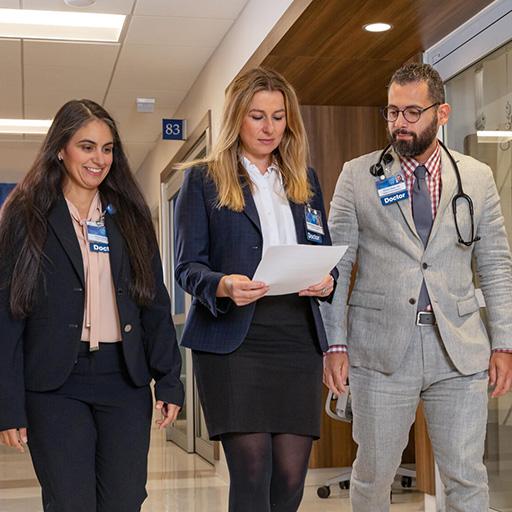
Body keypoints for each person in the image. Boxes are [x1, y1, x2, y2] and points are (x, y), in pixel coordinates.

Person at [321, 62, 512, 512]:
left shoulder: (477, 178)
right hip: (381, 349)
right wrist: (335, 344)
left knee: (467, 477)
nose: (398, 124)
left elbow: (496, 264)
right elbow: (337, 264)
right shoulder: (357, 176)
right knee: (373, 475)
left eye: (411, 112)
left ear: (441, 113)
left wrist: (503, 342)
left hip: (459, 347)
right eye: (391, 113)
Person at [0, 99, 184, 512]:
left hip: (123, 379)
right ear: (60, 149)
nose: (99, 159)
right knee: (70, 503)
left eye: (107, 148)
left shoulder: (129, 216)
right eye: (86, 147)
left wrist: (169, 378)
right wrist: (7, 405)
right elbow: (7, 317)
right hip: (54, 385)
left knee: (124, 500)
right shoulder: (26, 216)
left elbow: (153, 301)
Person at [174, 67, 337, 512]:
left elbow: (321, 250)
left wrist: (326, 280)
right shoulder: (204, 178)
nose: (269, 128)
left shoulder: (304, 180)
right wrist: (223, 285)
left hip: (296, 339)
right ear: (237, 119)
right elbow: (187, 268)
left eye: (278, 117)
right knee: (251, 470)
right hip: (235, 342)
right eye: (257, 117)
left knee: (289, 478)